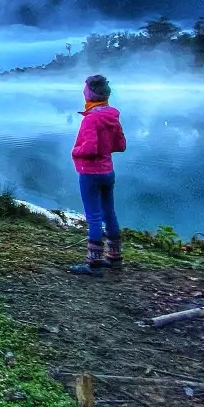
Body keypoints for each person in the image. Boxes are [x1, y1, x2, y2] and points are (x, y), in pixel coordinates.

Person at [69, 74, 127, 276]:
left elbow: (90, 148)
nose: (83, 92)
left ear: (91, 93)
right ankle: (115, 257)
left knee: (93, 216)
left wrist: (75, 151)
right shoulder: (112, 116)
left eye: (85, 89)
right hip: (107, 171)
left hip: (90, 173)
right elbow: (120, 145)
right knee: (109, 213)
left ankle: (93, 264)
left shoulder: (91, 118)